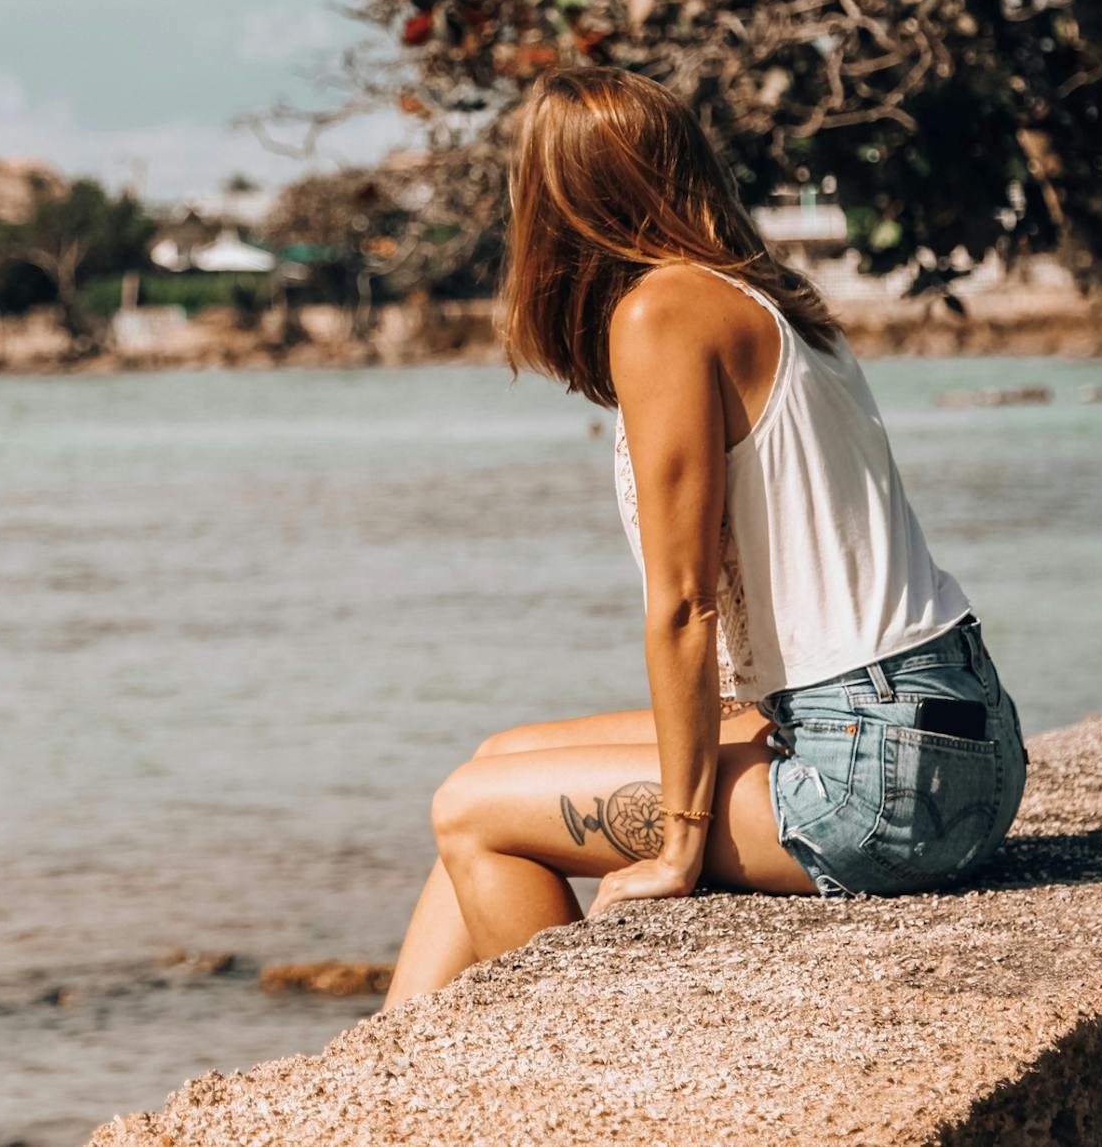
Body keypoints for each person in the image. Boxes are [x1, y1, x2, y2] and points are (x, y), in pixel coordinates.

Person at [384, 68, 1028, 1008]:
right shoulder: (769, 299)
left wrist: (681, 840)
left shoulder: (665, 311)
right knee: (498, 759)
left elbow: (683, 606)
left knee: (468, 814)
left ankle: (583, 1088)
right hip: (944, 732)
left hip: (878, 773)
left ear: (565, 198)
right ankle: (385, 1077)